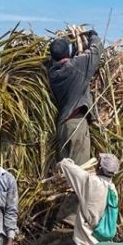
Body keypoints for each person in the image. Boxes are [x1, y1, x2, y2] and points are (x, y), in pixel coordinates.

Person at [48, 30, 104, 165]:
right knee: (79, 172)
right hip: (76, 124)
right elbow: (97, 49)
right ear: (67, 53)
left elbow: (66, 62)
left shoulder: (52, 73)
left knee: (65, 173)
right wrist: (92, 35)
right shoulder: (77, 66)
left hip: (62, 126)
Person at [58, 153, 120, 245]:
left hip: (83, 243)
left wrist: (61, 163)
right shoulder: (113, 191)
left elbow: (65, 165)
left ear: (100, 168)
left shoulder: (90, 182)